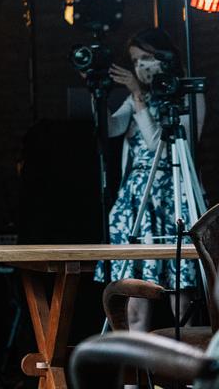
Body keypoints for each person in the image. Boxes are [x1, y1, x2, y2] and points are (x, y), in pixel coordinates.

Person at [94, 28, 205, 336]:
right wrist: (98, 93)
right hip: (136, 201)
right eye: (134, 61)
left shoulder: (187, 95)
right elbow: (113, 129)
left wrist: (137, 97)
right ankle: (133, 382)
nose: (140, 67)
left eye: (146, 58)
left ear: (164, 58)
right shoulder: (136, 98)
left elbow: (160, 144)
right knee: (133, 301)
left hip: (173, 196)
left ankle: (185, 378)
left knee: (181, 300)